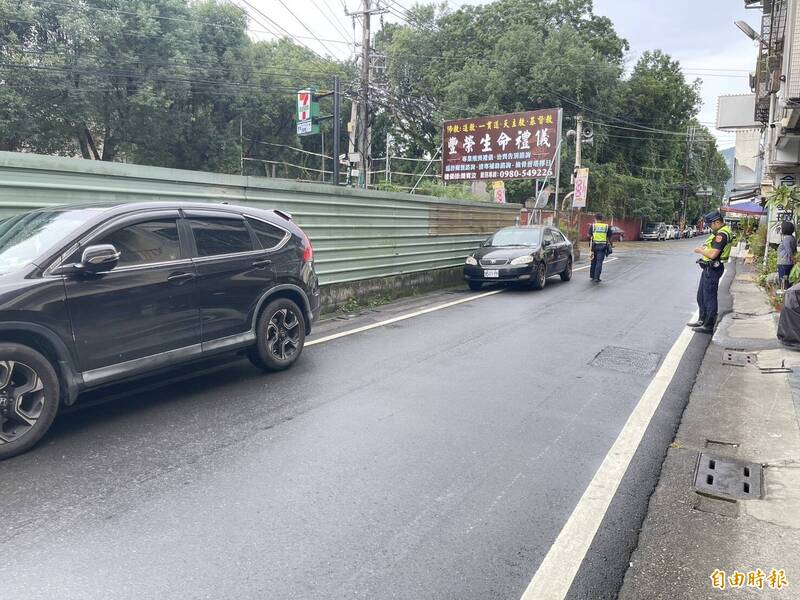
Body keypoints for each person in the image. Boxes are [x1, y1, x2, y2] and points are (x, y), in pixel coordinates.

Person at [687, 211, 733, 334]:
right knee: (701, 296)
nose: (709, 227)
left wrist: (701, 251)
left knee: (709, 298)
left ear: (717, 222)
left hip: (713, 269)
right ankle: (702, 320)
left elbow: (713, 254)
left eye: (710, 224)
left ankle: (708, 325)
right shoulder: (718, 232)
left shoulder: (722, 234)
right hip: (708, 268)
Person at [588, 213, 612, 282]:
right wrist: (611, 245)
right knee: (599, 262)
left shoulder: (592, 226)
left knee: (593, 261)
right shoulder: (606, 227)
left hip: (593, 246)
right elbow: (610, 237)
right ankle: (596, 278)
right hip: (602, 247)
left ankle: (592, 276)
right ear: (602, 219)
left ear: (595, 219)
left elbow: (588, 236)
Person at [777, 221, 797, 291]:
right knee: (788, 281)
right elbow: (794, 250)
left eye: (781, 228)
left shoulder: (786, 239)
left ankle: (783, 297)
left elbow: (789, 251)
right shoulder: (793, 238)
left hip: (784, 263)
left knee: (783, 281)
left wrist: (792, 258)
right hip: (790, 263)